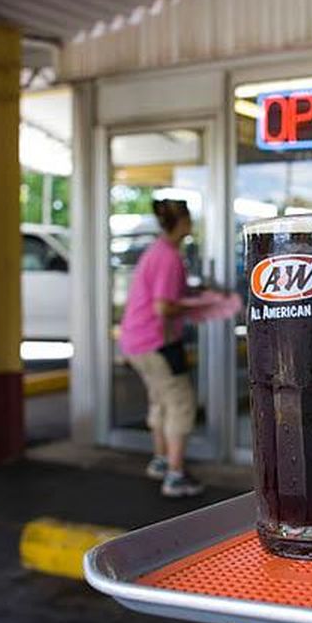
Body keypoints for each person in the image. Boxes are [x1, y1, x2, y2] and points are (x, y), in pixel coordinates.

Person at [119, 199, 203, 498]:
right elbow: (163, 306)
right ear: (182, 222)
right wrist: (199, 301)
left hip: (135, 341)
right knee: (180, 403)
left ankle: (161, 461)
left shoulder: (155, 251)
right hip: (157, 343)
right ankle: (176, 476)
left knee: (160, 401)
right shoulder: (168, 256)